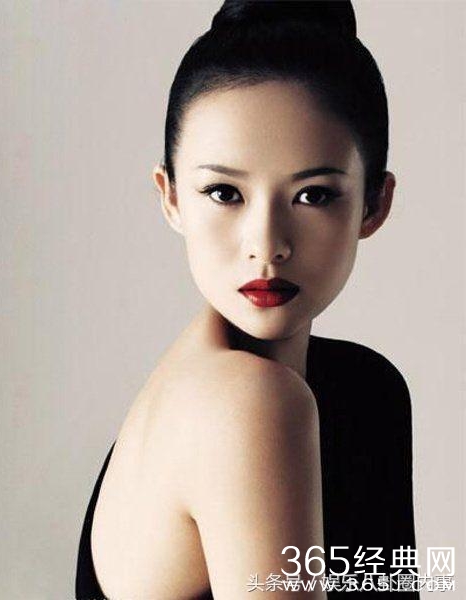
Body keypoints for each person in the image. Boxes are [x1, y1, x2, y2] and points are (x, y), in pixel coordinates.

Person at [75, 1, 419, 598]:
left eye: (313, 195)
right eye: (223, 192)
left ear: (374, 204)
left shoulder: (366, 390)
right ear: (170, 196)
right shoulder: (245, 405)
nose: (266, 244)